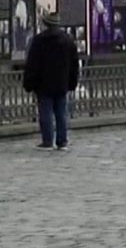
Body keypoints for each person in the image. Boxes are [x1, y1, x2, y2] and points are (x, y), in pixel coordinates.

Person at [23, 12, 80, 151]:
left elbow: (32, 64)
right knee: (61, 113)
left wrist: (29, 83)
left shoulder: (39, 40)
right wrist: (72, 82)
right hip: (62, 83)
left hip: (44, 83)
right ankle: (62, 141)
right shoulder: (67, 40)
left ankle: (47, 141)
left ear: (45, 24)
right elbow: (74, 64)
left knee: (46, 113)